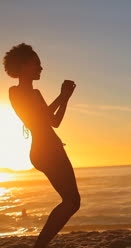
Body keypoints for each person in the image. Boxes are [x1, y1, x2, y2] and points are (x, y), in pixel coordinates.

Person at [4, 43, 80, 248]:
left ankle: (41, 244)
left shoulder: (36, 94)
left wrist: (65, 99)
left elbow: (54, 122)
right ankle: (40, 245)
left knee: (72, 202)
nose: (41, 67)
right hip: (45, 150)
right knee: (72, 201)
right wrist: (62, 96)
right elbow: (42, 117)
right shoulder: (16, 92)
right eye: (36, 63)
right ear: (22, 66)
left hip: (51, 147)